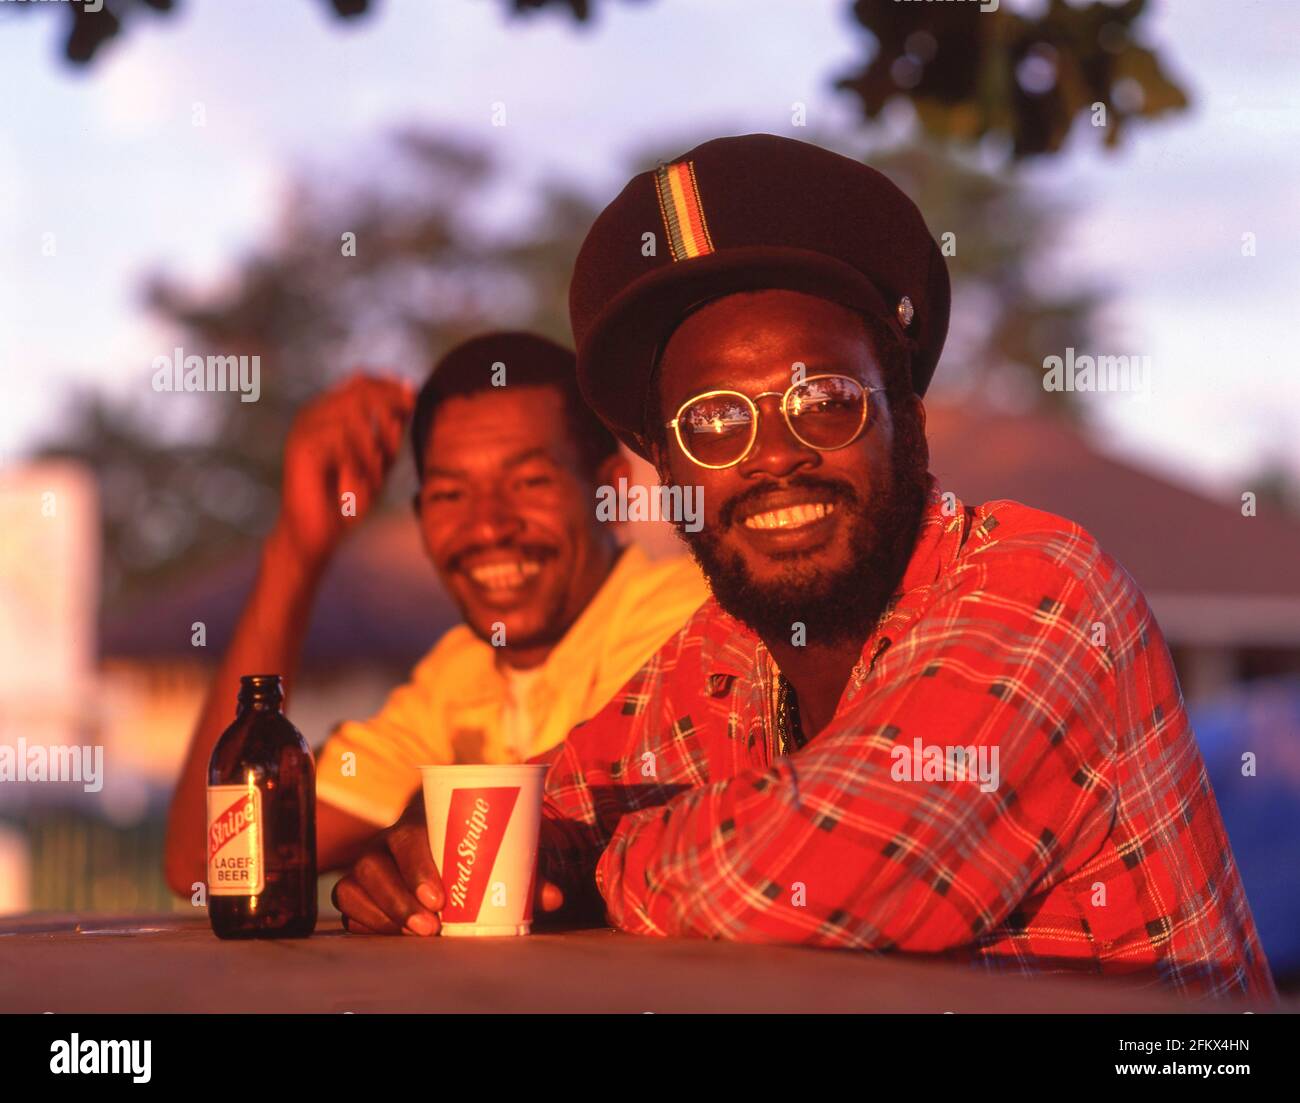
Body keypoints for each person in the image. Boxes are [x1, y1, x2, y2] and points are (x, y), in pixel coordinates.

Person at [330, 137, 1275, 1001]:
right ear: (666, 467)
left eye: (823, 399)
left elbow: (836, 875)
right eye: (711, 424)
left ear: (905, 409)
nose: (773, 455)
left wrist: (592, 853)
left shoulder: (1041, 587)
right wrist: (419, 847)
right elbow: (533, 808)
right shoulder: (714, 662)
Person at [163, 332, 709, 896]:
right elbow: (211, 864)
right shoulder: (456, 677)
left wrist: (426, 818)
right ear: (422, 519)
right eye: (450, 495)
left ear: (612, 495)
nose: (489, 527)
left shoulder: (690, 617)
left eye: (529, 482)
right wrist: (299, 549)